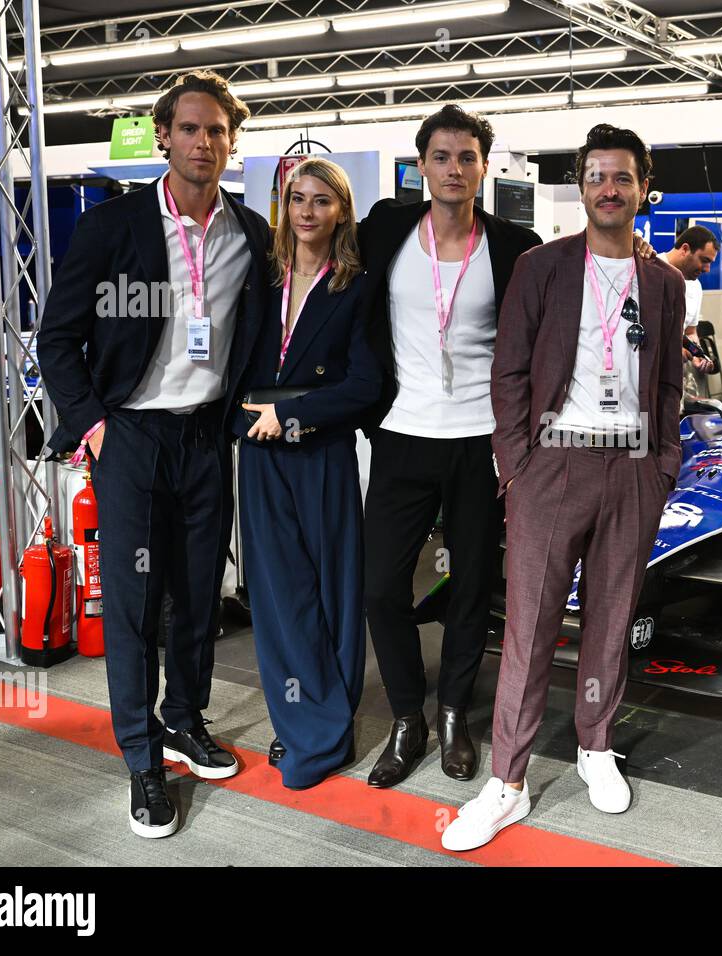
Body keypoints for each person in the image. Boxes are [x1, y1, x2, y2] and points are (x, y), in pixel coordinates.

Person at [38, 71, 270, 838]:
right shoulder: (115, 226)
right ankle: (142, 758)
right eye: (191, 129)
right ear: (163, 136)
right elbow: (58, 336)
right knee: (137, 607)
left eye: (218, 131)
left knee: (199, 595)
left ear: (233, 142)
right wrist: (94, 426)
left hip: (206, 436)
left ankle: (184, 721)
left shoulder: (250, 234)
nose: (205, 142)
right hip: (132, 437)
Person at [441, 123, 684, 852]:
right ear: (581, 187)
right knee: (530, 627)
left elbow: (669, 384)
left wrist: (663, 466)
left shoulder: (664, 284)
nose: (609, 190)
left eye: (623, 178)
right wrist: (516, 462)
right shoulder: (543, 268)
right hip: (552, 468)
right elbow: (508, 370)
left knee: (612, 621)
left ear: (643, 187)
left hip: (634, 470)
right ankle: (507, 783)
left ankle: (594, 746)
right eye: (596, 177)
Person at [356, 105, 542, 789]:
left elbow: (563, 301)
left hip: (478, 442)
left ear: (484, 167)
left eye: (467, 157)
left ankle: (456, 712)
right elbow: (316, 255)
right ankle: (409, 717)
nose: (454, 168)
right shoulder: (384, 229)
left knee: (470, 588)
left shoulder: (515, 245)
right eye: (441, 156)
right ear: (421, 166)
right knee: (381, 588)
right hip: (402, 434)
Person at [235, 158, 378, 789]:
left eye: (322, 200)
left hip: (320, 453)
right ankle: (300, 721)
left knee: (334, 594)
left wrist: (290, 413)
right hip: (260, 455)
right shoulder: (258, 277)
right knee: (277, 596)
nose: (308, 211)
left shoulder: (357, 286)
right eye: (298, 198)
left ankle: (330, 729)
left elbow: (367, 384)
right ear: (283, 205)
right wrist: (248, 420)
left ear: (342, 210)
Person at [663, 225, 720, 397]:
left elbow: (690, 331)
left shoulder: (695, 286)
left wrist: (697, 354)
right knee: (644, 422)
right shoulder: (648, 273)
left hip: (673, 382)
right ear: (685, 249)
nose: (707, 269)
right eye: (704, 260)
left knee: (670, 422)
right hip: (643, 380)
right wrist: (672, 351)